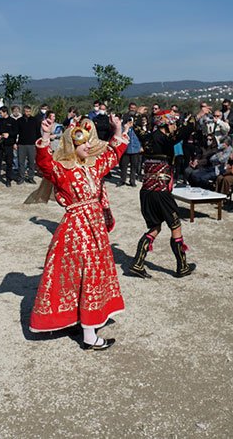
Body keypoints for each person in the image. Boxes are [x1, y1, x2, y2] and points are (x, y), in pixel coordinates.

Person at [24, 114, 128, 351]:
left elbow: (114, 154)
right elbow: (44, 163)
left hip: (95, 229)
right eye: (83, 144)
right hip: (76, 229)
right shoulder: (62, 170)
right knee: (85, 273)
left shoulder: (94, 167)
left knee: (86, 274)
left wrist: (118, 129)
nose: (89, 146)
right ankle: (89, 335)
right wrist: (45, 136)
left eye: (88, 142)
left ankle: (80, 320)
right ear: (72, 146)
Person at [129, 107, 209, 279]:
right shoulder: (165, 138)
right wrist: (198, 116)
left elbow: (136, 128)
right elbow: (185, 130)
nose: (175, 126)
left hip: (146, 191)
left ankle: (137, 264)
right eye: (173, 123)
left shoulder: (148, 137)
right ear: (166, 124)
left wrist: (138, 115)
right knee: (175, 226)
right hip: (161, 191)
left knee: (155, 227)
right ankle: (182, 266)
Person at [0, 106, 18, 187]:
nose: (0, 114)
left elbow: (16, 132)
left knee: (9, 162)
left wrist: (9, 135)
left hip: (9, 144)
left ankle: (8, 179)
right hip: (0, 144)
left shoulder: (13, 121)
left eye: (1, 113)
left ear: (5, 112)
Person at [16, 106, 40, 184]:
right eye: (26, 111)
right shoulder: (19, 121)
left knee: (31, 162)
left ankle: (30, 177)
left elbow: (38, 133)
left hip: (32, 145)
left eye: (29, 111)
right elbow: (16, 133)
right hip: (21, 144)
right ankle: (21, 177)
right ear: (23, 112)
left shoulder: (35, 120)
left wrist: (38, 143)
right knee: (21, 162)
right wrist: (14, 143)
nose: (28, 113)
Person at [117, 117, 141, 187]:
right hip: (126, 150)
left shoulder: (136, 129)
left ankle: (132, 180)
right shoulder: (122, 129)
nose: (130, 123)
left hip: (135, 150)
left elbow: (141, 137)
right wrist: (126, 129)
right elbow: (121, 136)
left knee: (134, 166)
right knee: (124, 166)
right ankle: (123, 180)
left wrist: (140, 146)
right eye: (128, 121)